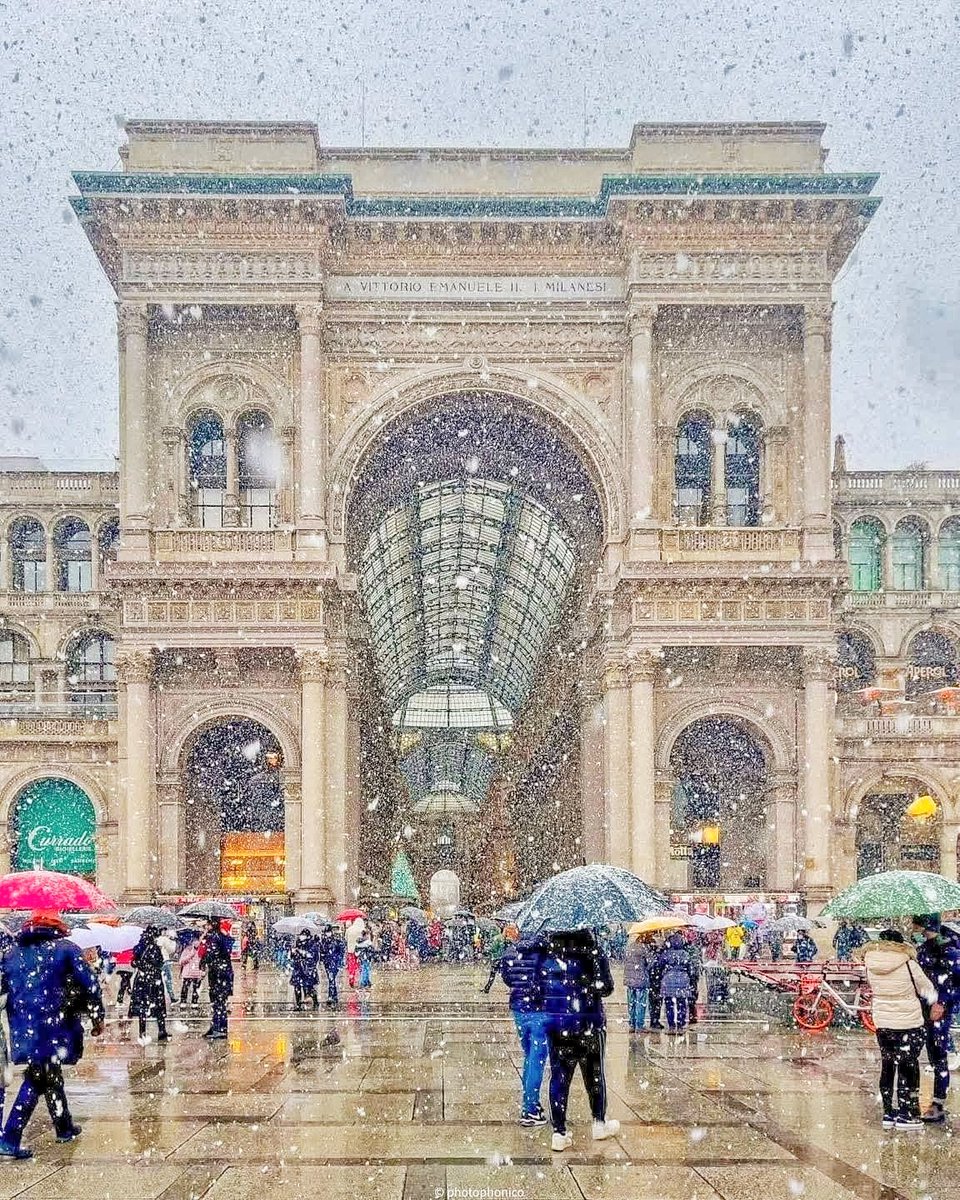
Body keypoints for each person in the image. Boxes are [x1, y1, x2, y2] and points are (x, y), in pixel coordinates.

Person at [0, 911, 104, 1158]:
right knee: (39, 1076)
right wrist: (97, 1016)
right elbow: (90, 984)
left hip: (23, 1026)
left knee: (48, 1071)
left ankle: (64, 1126)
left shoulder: (13, 953)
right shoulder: (66, 949)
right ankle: (10, 1138)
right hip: (55, 1023)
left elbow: (3, 988)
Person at [538, 928, 619, 1152]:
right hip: (589, 1022)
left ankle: (559, 1132)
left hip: (557, 1024)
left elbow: (539, 988)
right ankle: (598, 1122)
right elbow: (607, 987)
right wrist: (588, 984)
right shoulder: (593, 951)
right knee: (594, 1074)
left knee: (559, 1078)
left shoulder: (548, 953)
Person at [863, 929, 940, 1130]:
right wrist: (933, 1000)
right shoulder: (908, 963)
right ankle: (907, 1113)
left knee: (888, 1066)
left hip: (883, 1021)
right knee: (908, 1066)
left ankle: (889, 1113)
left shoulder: (870, 964)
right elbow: (927, 989)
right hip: (908, 1022)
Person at [484, 933, 549, 1126]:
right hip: (539, 1009)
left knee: (529, 1055)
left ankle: (529, 1104)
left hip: (519, 1008)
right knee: (537, 1059)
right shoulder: (544, 952)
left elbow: (507, 978)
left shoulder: (511, 950)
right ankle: (530, 1109)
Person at [911, 914, 960, 1123]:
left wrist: (941, 1002)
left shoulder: (947, 948)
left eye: (914, 922)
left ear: (923, 924)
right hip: (920, 1007)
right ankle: (913, 1099)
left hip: (938, 1008)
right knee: (916, 1052)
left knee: (938, 1054)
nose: (910, 926)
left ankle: (938, 1103)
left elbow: (954, 980)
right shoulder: (923, 947)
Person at [129, 927, 169, 1043]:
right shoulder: (155, 948)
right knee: (158, 1006)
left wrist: (141, 965)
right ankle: (161, 1030)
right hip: (154, 979)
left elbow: (133, 962)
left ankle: (142, 1032)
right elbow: (160, 963)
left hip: (142, 979)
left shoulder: (139, 947)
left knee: (143, 1007)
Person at [200, 918, 234, 1039]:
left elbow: (211, 954)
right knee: (218, 1002)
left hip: (219, 974)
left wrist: (204, 960)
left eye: (208, 924)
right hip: (222, 973)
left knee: (218, 1002)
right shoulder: (220, 937)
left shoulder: (215, 937)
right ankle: (216, 1026)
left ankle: (220, 1029)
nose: (206, 927)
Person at [657, 932, 696, 1034]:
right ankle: (680, 1023)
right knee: (681, 1003)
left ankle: (671, 1025)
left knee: (669, 1003)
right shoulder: (685, 954)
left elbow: (659, 965)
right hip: (682, 980)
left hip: (668, 980)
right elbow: (690, 969)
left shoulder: (667, 954)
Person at [623, 932, 652, 1032]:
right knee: (640, 1003)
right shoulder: (644, 949)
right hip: (640, 979)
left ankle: (632, 1023)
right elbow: (650, 963)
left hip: (630, 979)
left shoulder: (629, 947)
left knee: (631, 1002)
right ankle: (639, 1025)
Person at [290, 929, 321, 1010]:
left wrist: (301, 952)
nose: (301, 937)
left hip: (307, 970)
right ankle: (298, 1005)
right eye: (301, 935)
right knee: (297, 987)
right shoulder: (297, 943)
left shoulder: (312, 944)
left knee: (309, 987)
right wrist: (293, 952)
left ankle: (315, 1001)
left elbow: (312, 956)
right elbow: (292, 957)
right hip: (298, 969)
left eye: (303, 935)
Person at [319, 925, 345, 1006]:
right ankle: (334, 996)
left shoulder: (336, 941)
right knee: (331, 979)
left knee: (331, 979)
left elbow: (340, 951)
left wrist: (338, 960)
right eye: (326, 932)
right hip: (328, 962)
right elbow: (322, 951)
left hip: (334, 963)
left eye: (328, 932)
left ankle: (331, 997)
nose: (328, 934)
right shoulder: (324, 941)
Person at [646, 934, 665, 1029]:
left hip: (652, 980)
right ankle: (655, 1020)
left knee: (653, 1001)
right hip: (657, 980)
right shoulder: (658, 954)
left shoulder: (649, 953)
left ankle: (654, 1020)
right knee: (657, 1001)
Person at [178, 935, 203, 1007]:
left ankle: (194, 1002)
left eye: (197, 941)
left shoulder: (201, 950)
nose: (196, 943)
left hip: (197, 973)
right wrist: (190, 955)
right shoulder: (187, 950)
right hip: (187, 973)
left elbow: (203, 961)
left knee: (196, 988)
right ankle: (183, 1002)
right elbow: (181, 962)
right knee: (185, 988)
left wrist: (202, 971)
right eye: (194, 941)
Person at [157, 930, 177, 1005]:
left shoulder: (156, 939)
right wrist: (171, 941)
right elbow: (171, 950)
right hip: (165, 960)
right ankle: (171, 997)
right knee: (168, 980)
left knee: (158, 979)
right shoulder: (165, 939)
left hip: (158, 961)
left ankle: (158, 996)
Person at [345, 917, 364, 987]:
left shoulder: (349, 929)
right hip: (359, 950)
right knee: (360, 965)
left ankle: (351, 977)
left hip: (350, 950)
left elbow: (345, 939)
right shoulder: (362, 930)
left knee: (351, 965)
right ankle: (361, 980)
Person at [356, 924, 375, 989]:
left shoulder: (359, 942)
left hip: (361, 957)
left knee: (363, 969)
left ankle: (364, 982)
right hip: (366, 957)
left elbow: (356, 950)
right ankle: (365, 982)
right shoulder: (368, 942)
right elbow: (372, 950)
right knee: (366, 969)